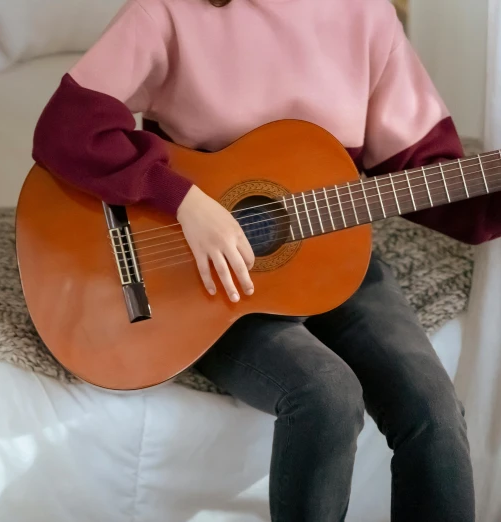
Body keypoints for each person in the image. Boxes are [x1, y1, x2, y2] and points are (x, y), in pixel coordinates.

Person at [31, 0, 501, 520]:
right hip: (199, 278)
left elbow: (430, 170)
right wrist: (184, 202)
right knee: (326, 394)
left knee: (433, 408)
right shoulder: (163, 12)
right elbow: (66, 127)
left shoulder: (368, 16)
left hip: (334, 254)